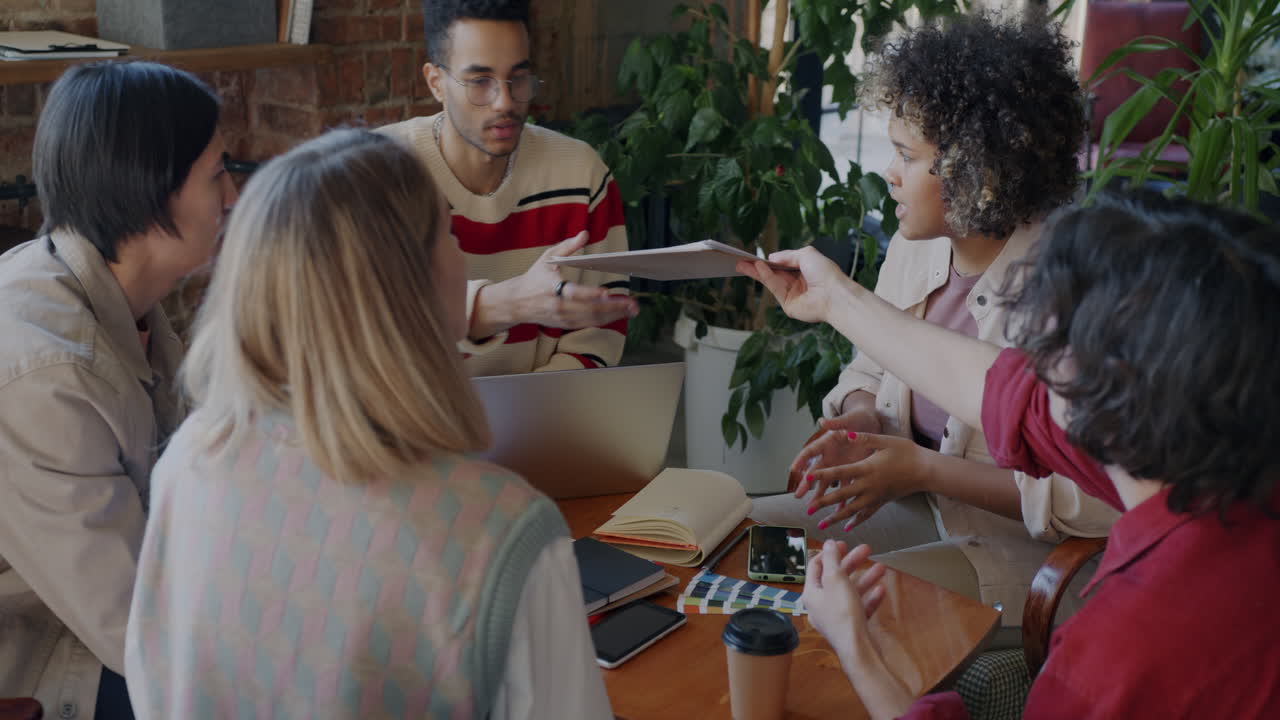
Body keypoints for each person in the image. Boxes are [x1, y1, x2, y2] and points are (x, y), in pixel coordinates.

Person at [124, 129, 613, 719]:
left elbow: (152, 682)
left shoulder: (188, 460)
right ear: (413, 288)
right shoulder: (503, 534)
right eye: (451, 237)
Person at [743, 190, 1280, 718]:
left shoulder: (1114, 659)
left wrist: (856, 646)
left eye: (1052, 346)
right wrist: (836, 298)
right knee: (757, 539)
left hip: (1005, 555)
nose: (1032, 362)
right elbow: (987, 385)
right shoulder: (1189, 440)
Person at [749, 11, 1117, 647]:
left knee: (844, 610)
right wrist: (861, 420)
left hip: (1015, 558)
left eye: (905, 155)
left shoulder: (1071, 285)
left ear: (982, 168)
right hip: (915, 514)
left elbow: (1094, 502)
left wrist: (922, 471)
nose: (889, 174)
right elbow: (868, 367)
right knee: (753, 545)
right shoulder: (915, 246)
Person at [0, 62, 236, 719]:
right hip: (52, 656)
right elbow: (138, 631)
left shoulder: (127, 304)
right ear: (151, 192)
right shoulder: (47, 374)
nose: (233, 197)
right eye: (218, 172)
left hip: (113, 619)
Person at [380, 0, 638, 376]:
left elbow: (595, 342)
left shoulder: (582, 177)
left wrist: (524, 421)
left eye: (518, 78)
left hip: (546, 422)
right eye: (480, 82)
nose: (505, 102)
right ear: (435, 82)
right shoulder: (375, 178)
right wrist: (512, 303)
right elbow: (370, 338)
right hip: (420, 430)